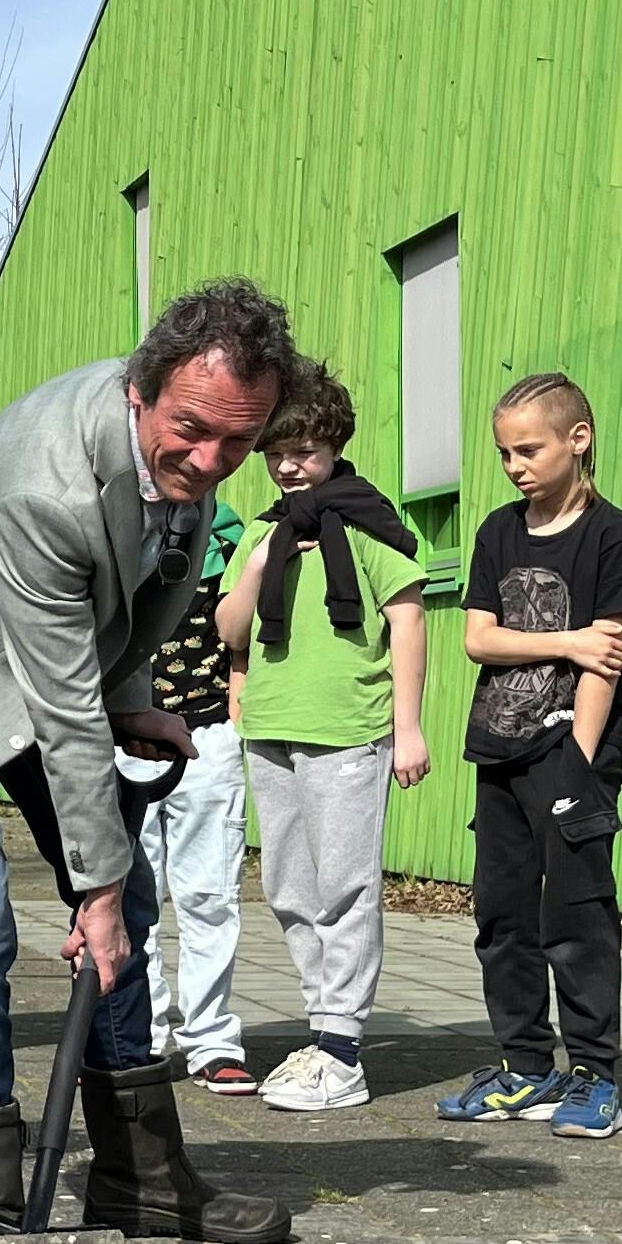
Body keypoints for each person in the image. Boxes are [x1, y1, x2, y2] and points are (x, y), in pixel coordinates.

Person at [0, 280, 303, 1244]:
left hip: (56, 680)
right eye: (193, 430)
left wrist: (130, 702)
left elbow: (143, 600)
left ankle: (141, 1178)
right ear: (141, 390)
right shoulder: (51, 480)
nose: (210, 462)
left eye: (238, 443)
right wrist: (89, 879)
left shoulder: (186, 461)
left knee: (123, 906)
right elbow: (59, 697)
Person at [212, 366, 427, 1115]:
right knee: (289, 890)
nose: (289, 466)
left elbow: (407, 620)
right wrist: (263, 563)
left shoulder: (369, 524)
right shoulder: (266, 532)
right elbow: (230, 632)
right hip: (271, 728)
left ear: (334, 445)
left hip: (348, 732)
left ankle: (342, 1049)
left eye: (303, 450)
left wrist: (409, 730)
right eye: (277, 453)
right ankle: (322, 1030)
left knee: (346, 887)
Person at [440, 372, 622, 1142]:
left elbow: (608, 660)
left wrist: (579, 771)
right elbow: (478, 638)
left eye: (529, 449)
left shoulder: (614, 537)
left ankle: (594, 1074)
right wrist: (565, 638)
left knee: (576, 914)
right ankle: (526, 1066)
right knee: (502, 915)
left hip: (572, 751)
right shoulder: (499, 531)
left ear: (577, 440)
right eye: (504, 453)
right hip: (498, 744)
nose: (515, 465)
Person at [134, 489, 252, 1090]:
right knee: (134, 899)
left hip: (206, 736)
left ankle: (211, 1040)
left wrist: (236, 703)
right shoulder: (112, 532)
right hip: (122, 739)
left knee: (210, 894)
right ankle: (139, 1035)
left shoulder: (231, 539)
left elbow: (245, 634)